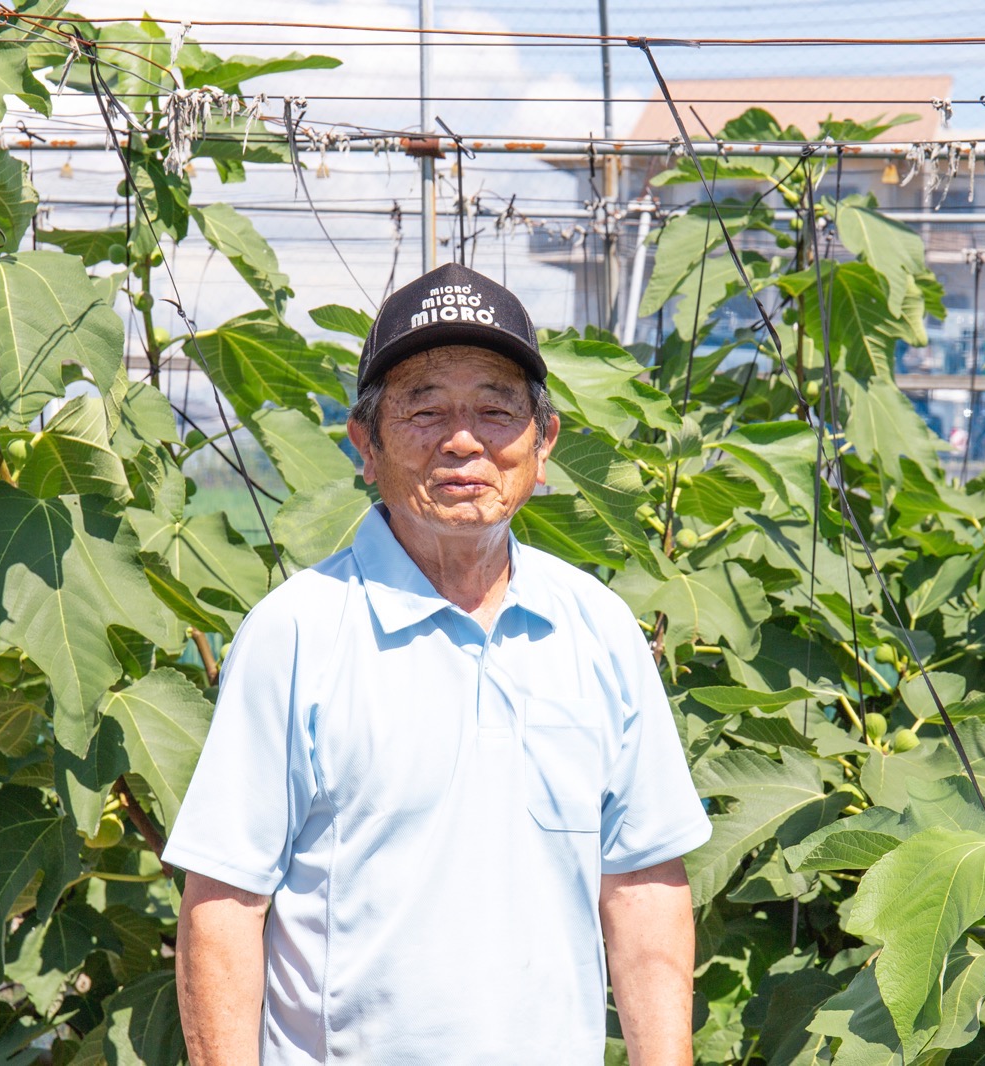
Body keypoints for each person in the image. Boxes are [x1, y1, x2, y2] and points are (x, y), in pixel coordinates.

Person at [164, 262, 712, 1065]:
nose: (464, 439)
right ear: (365, 443)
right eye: (424, 409)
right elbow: (222, 906)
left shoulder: (597, 627)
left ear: (543, 443)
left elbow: (641, 885)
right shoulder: (297, 634)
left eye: (496, 409)